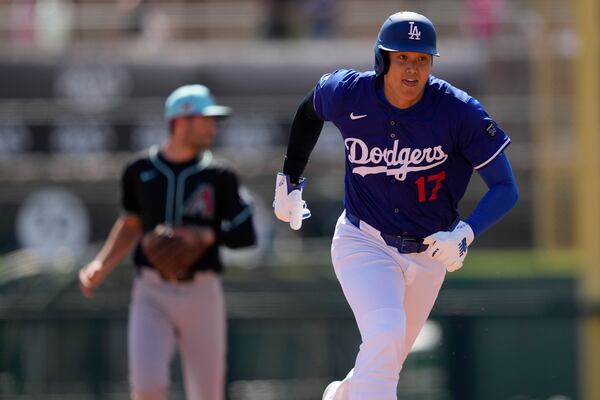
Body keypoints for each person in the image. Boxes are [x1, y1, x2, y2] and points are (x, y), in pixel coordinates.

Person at [273, 11, 518, 400]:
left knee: (385, 358)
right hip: (363, 239)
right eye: (402, 56)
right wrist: (289, 178)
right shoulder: (349, 91)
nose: (412, 67)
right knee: (385, 334)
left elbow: (506, 187)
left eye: (421, 59)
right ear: (382, 58)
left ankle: (341, 396)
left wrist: (466, 233)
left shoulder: (457, 110)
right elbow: (309, 109)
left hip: (429, 253)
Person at [79, 84, 256, 400]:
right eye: (206, 119)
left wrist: (205, 236)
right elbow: (130, 222)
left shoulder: (220, 174)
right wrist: (100, 264)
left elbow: (247, 234)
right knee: (147, 387)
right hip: (152, 291)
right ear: (182, 121)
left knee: (207, 394)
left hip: (202, 291)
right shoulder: (140, 170)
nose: (213, 127)